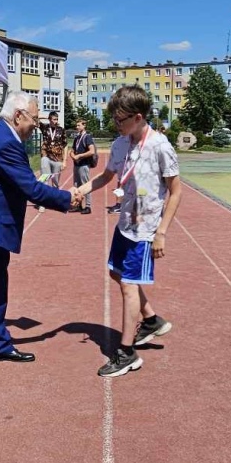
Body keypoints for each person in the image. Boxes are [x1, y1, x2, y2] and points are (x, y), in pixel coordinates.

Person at [0, 92, 80, 382]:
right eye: (34, 118)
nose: (36, 124)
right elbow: (31, 189)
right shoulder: (5, 142)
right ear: (18, 115)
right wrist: (66, 198)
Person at [74, 86, 182, 378]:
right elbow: (109, 176)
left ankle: (126, 352)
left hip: (146, 228)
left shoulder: (160, 146)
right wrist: (82, 189)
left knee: (128, 285)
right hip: (125, 223)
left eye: (120, 120)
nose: (116, 125)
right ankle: (151, 320)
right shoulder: (121, 143)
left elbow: (175, 191)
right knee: (116, 273)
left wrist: (162, 232)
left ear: (138, 117)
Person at [38, 111, 68, 201]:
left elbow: (65, 145)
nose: (56, 121)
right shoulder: (45, 128)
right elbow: (35, 120)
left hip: (57, 158)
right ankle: (42, 202)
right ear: (50, 120)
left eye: (57, 119)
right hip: (46, 156)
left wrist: (65, 161)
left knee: (55, 181)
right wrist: (43, 117)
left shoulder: (61, 130)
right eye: (54, 119)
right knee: (44, 178)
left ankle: (54, 200)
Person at [70, 119, 97, 215]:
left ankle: (88, 206)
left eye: (78, 125)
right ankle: (78, 205)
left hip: (84, 165)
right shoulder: (77, 138)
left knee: (85, 185)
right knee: (76, 186)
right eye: (76, 125)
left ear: (84, 126)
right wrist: (73, 155)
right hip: (76, 165)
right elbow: (72, 150)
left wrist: (80, 156)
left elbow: (92, 151)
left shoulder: (87, 137)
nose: (77, 127)